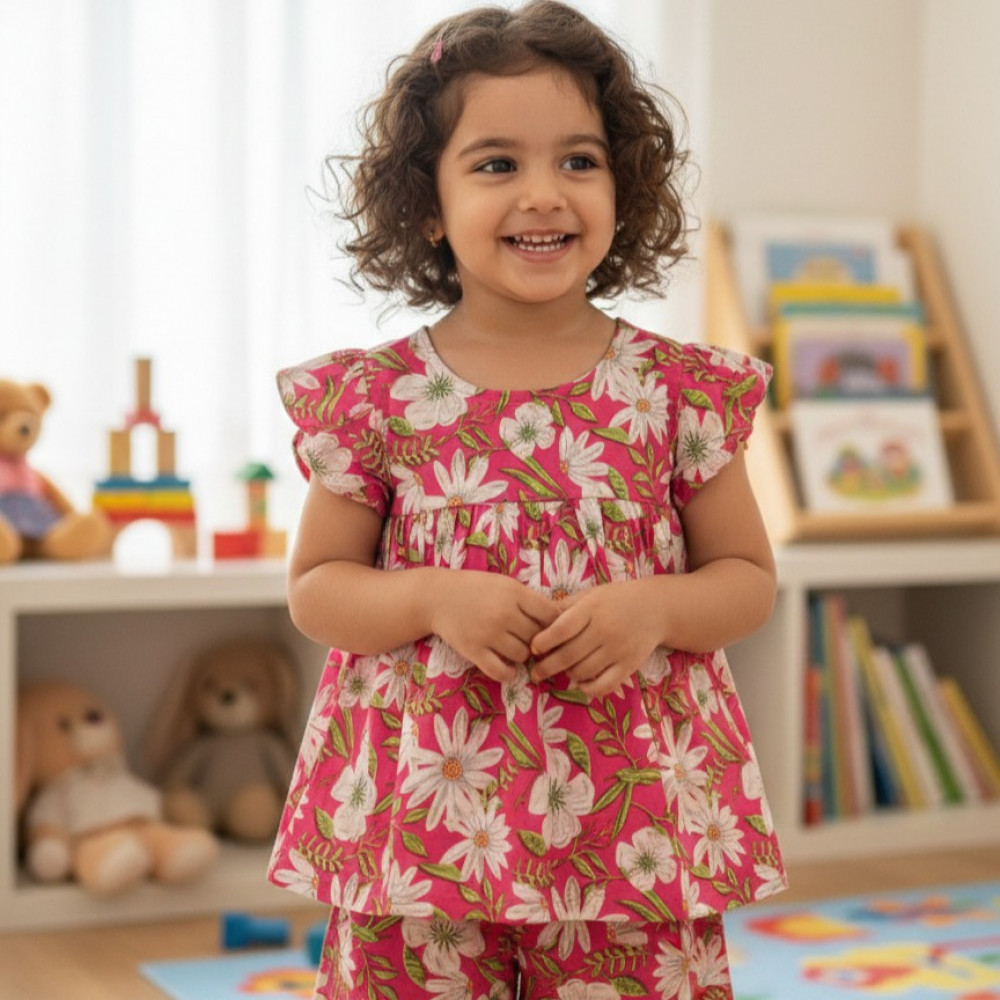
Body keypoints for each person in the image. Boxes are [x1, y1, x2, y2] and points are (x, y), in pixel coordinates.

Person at [271, 3, 786, 997]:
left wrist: (657, 608)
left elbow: (747, 580)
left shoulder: (679, 390)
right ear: (427, 201)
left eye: (579, 161)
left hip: (634, 828)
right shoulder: (374, 400)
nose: (543, 193)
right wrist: (428, 598)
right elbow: (318, 588)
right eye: (497, 163)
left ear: (622, 187)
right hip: (421, 827)